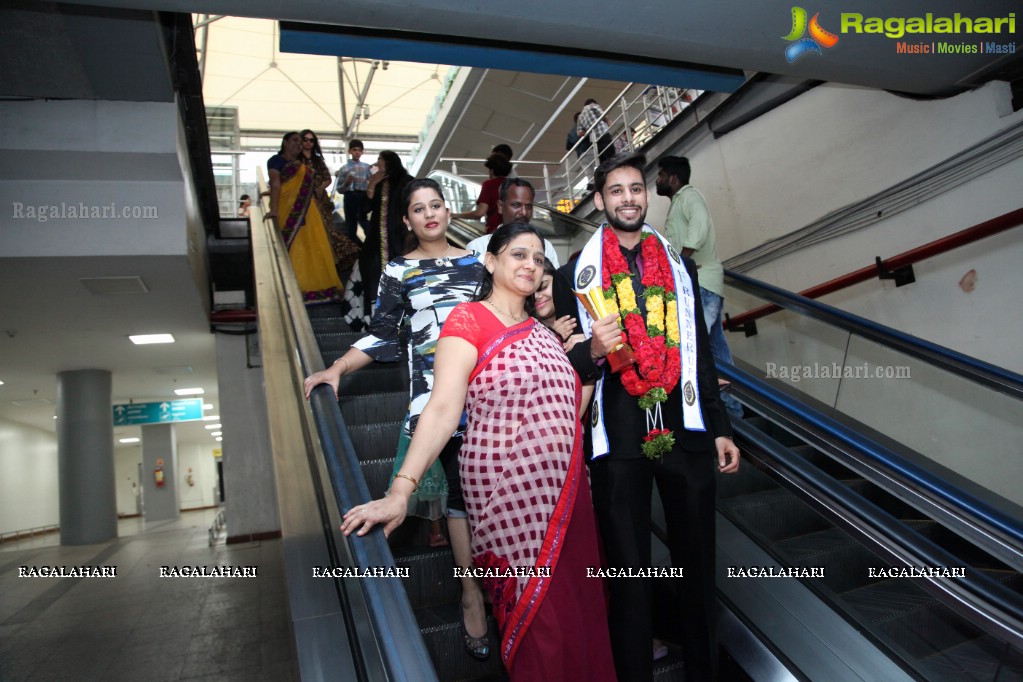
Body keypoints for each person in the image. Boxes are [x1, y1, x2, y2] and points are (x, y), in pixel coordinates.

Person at [341, 223, 617, 682]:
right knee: (541, 630)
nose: (531, 264)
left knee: (582, 617)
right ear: (490, 262)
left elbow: (570, 414)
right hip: (507, 499)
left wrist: (594, 357)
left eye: (538, 258)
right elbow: (443, 409)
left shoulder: (545, 335)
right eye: (518, 255)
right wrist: (400, 491)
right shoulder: (468, 320)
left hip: (568, 498)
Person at [552, 151, 740, 681]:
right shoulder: (574, 276)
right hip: (619, 443)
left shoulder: (680, 266)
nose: (629, 198)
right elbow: (566, 366)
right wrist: (591, 349)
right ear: (599, 201)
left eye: (636, 189)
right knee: (630, 577)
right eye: (617, 191)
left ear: (647, 195)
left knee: (699, 569)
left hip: (686, 432)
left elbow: (700, 351)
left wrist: (721, 426)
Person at [304, 178, 491, 659]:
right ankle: (472, 593)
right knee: (459, 501)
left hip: (493, 394)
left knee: (497, 495)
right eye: (417, 209)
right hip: (436, 400)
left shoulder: (478, 263)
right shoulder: (397, 272)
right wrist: (337, 367)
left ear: (448, 212)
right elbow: (382, 334)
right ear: (406, 221)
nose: (429, 214)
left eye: (436, 205)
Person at [656, 155, 743, 418]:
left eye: (660, 175)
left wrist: (682, 263)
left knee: (692, 345)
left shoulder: (690, 197)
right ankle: (734, 409)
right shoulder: (679, 202)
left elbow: (699, 226)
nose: (657, 180)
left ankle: (711, 408)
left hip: (702, 283)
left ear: (673, 178)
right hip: (702, 284)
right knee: (716, 347)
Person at [265, 132, 343, 304]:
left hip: (308, 212)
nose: (299, 144)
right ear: (285, 142)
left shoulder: (302, 167)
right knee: (292, 247)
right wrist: (274, 209)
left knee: (309, 247)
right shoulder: (276, 161)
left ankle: (312, 288)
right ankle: (291, 287)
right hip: (286, 211)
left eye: (301, 142)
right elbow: (276, 184)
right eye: (295, 140)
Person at [300, 129, 360, 277]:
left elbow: (328, 177)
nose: (308, 143)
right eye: (305, 139)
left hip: (320, 201)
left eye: (311, 140)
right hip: (302, 201)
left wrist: (320, 188)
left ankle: (338, 259)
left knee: (326, 230)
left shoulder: (317, 160)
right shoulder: (295, 160)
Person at [464, 178, 560, 267]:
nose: (523, 212)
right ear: (500, 207)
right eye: (516, 205)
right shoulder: (478, 247)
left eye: (528, 206)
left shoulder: (546, 247)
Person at [362, 150, 412, 313]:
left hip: (400, 237)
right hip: (377, 239)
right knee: (375, 271)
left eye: (380, 160)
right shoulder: (378, 183)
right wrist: (371, 185)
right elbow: (364, 209)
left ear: (389, 162)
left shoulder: (407, 182)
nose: (377, 163)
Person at [453, 153, 511, 234]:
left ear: (492, 170)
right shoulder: (512, 184)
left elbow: (479, 213)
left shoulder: (489, 185)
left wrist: (455, 215)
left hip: (495, 231)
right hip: (512, 230)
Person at [335, 138, 372, 243]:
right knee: (351, 224)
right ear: (350, 151)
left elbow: (371, 181)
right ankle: (355, 247)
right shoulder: (344, 169)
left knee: (363, 220)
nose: (357, 152)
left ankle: (368, 245)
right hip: (350, 196)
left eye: (359, 150)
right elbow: (339, 189)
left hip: (363, 196)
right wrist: (346, 182)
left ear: (362, 152)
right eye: (355, 150)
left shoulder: (366, 167)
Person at [534, 258, 576, 343]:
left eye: (543, 287)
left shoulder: (581, 313)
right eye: (529, 295)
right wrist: (551, 337)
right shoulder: (529, 334)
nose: (536, 296)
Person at [577, 98, 615, 165]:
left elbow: (579, 133)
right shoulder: (592, 105)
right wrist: (608, 121)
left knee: (603, 160)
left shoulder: (580, 116)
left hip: (594, 140)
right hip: (603, 133)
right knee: (611, 156)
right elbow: (602, 114)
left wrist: (589, 130)